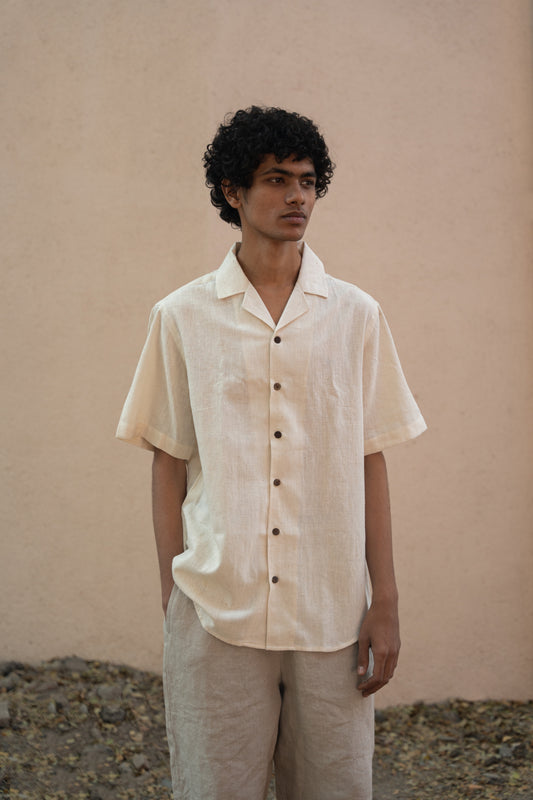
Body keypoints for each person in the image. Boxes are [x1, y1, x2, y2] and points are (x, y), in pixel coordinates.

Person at [116, 106, 426, 800]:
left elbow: (370, 457)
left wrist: (386, 600)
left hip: (330, 608)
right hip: (216, 606)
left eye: (308, 182)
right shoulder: (181, 317)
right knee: (213, 787)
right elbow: (168, 461)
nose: (296, 197)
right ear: (231, 191)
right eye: (276, 180)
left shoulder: (356, 316)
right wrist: (174, 597)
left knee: (336, 787)